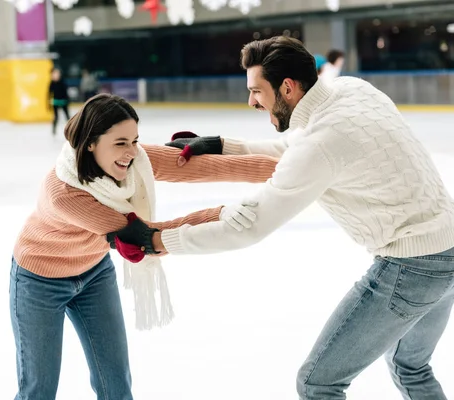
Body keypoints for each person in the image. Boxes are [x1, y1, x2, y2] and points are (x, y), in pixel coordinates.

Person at [106, 36, 454, 400]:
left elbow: (249, 225)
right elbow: (301, 147)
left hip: (412, 267)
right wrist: (221, 144)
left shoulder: (320, 143)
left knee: (318, 384)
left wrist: (157, 240)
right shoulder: (352, 92)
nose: (251, 101)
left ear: (287, 87)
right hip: (448, 245)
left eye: (257, 91)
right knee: (411, 367)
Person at [10, 93, 278, 400]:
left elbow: (205, 168)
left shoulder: (136, 161)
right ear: (91, 143)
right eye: (121, 143)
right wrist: (217, 215)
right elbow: (146, 237)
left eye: (135, 140)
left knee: (116, 386)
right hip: (39, 281)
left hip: (94, 273)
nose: (132, 151)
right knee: (38, 391)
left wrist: (290, 171)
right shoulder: (64, 193)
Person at [48, 68, 71, 134]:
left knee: (67, 116)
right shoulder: (52, 82)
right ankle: (54, 130)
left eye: (57, 74)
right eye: (54, 74)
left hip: (63, 101)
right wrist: (48, 103)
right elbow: (49, 93)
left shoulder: (62, 82)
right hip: (56, 101)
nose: (55, 75)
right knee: (56, 117)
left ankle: (71, 129)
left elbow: (66, 92)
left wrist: (67, 100)